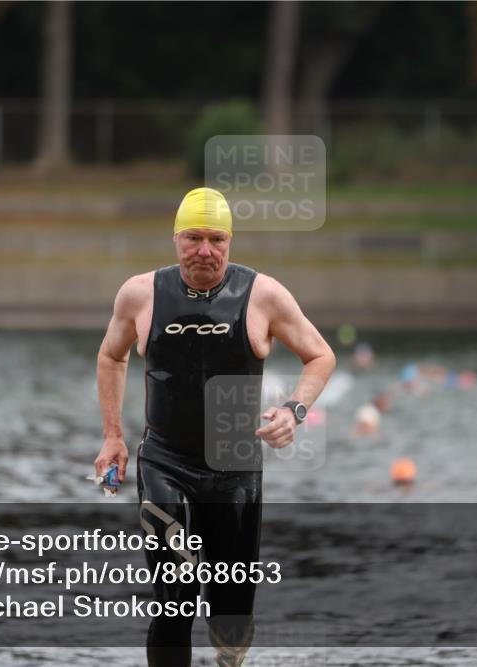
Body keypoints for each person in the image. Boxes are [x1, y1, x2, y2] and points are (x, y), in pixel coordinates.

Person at [94, 187, 336, 666]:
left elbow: (320, 355)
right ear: (176, 239)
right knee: (174, 595)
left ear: (230, 241)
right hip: (165, 462)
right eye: (194, 238)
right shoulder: (140, 294)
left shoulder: (263, 295)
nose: (205, 250)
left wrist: (294, 410)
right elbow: (111, 356)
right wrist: (113, 436)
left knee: (231, 612)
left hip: (234, 469)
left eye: (216, 239)